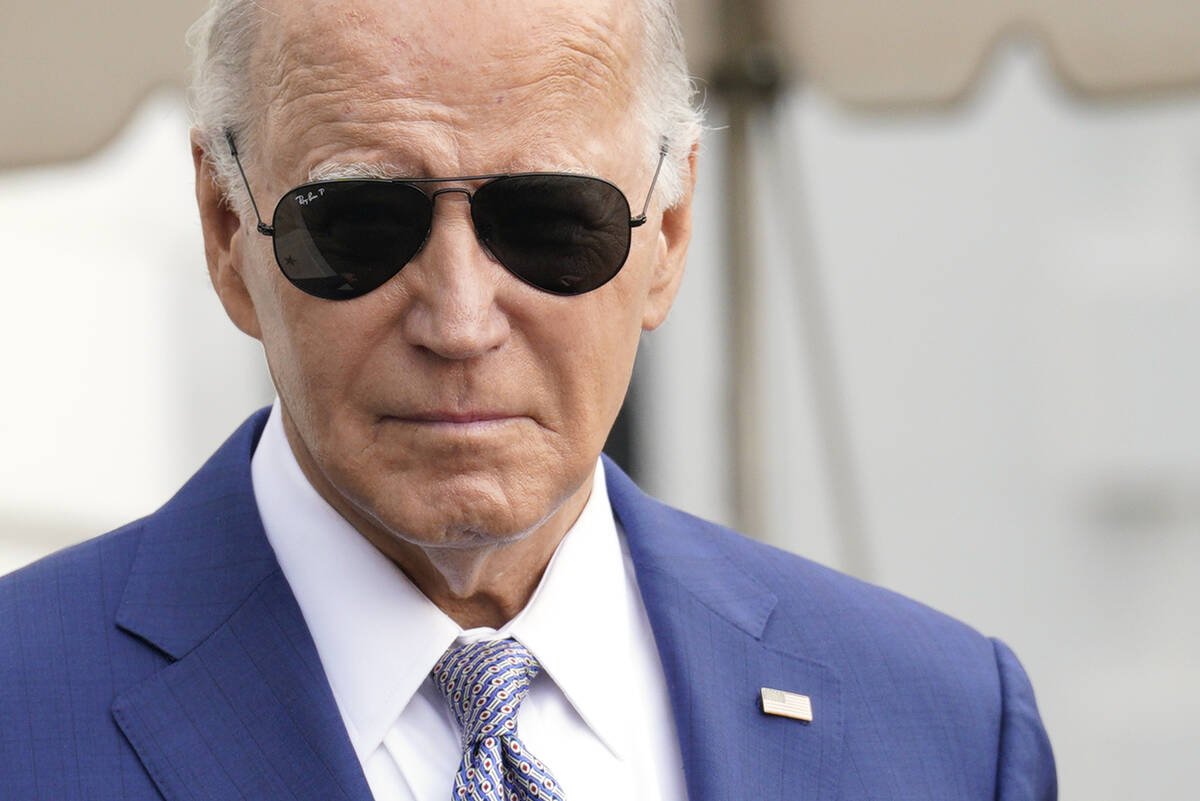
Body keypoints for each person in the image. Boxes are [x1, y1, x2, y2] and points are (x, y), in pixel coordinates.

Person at [0, 0, 1056, 799]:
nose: (460, 320)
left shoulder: (948, 732)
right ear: (229, 236)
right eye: (358, 226)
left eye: (553, 223)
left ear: (671, 232)